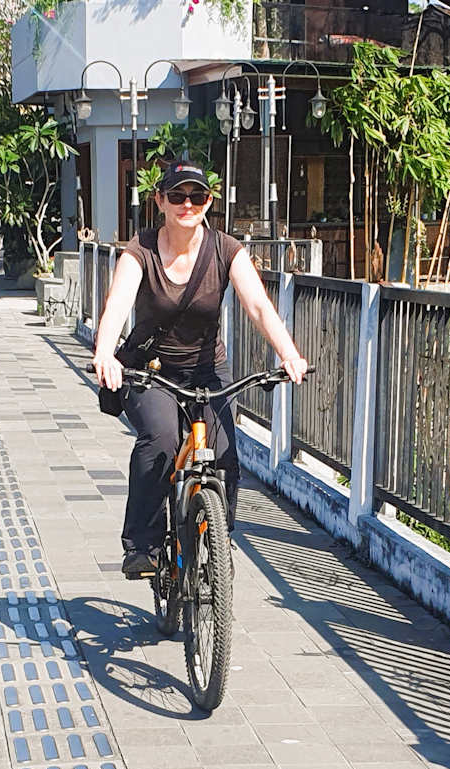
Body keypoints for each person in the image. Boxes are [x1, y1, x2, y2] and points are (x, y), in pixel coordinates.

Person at [92, 161, 309, 577]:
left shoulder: (226, 249)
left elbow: (259, 307)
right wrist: (105, 352)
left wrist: (288, 353)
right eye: (176, 196)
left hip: (208, 372)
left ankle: (216, 543)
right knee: (161, 439)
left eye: (196, 196)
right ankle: (144, 544)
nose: (186, 204)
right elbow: (117, 305)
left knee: (225, 455)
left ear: (209, 202)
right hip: (152, 372)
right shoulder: (141, 250)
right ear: (160, 201)